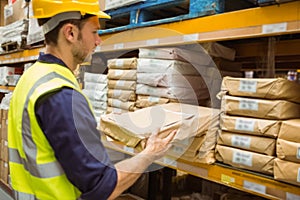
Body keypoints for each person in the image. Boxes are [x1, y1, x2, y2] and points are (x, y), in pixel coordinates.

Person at [7, 0, 177, 199]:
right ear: (70, 33)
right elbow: (104, 187)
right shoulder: (61, 96)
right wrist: (149, 155)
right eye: (94, 32)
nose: (99, 41)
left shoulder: (32, 78)